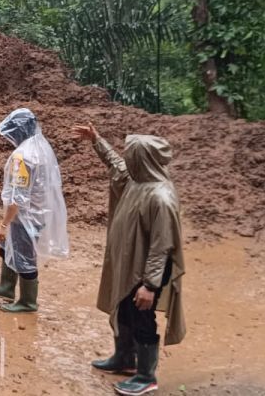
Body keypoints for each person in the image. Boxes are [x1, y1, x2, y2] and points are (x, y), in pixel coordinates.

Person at [74, 124, 185, 396]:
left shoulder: (161, 198)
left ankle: (146, 375)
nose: (127, 159)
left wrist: (149, 285)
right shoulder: (138, 180)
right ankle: (124, 358)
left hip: (149, 270)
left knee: (142, 318)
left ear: (143, 160)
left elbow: (162, 247)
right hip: (131, 263)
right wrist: (97, 140)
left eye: (132, 155)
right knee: (124, 309)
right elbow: (117, 165)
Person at [0, 108, 69, 313]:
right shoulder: (40, 147)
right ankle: (6, 287)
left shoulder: (23, 156)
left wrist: (4, 224)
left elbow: (18, 196)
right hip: (37, 212)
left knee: (24, 256)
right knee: (9, 246)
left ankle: (28, 302)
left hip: (25, 216)